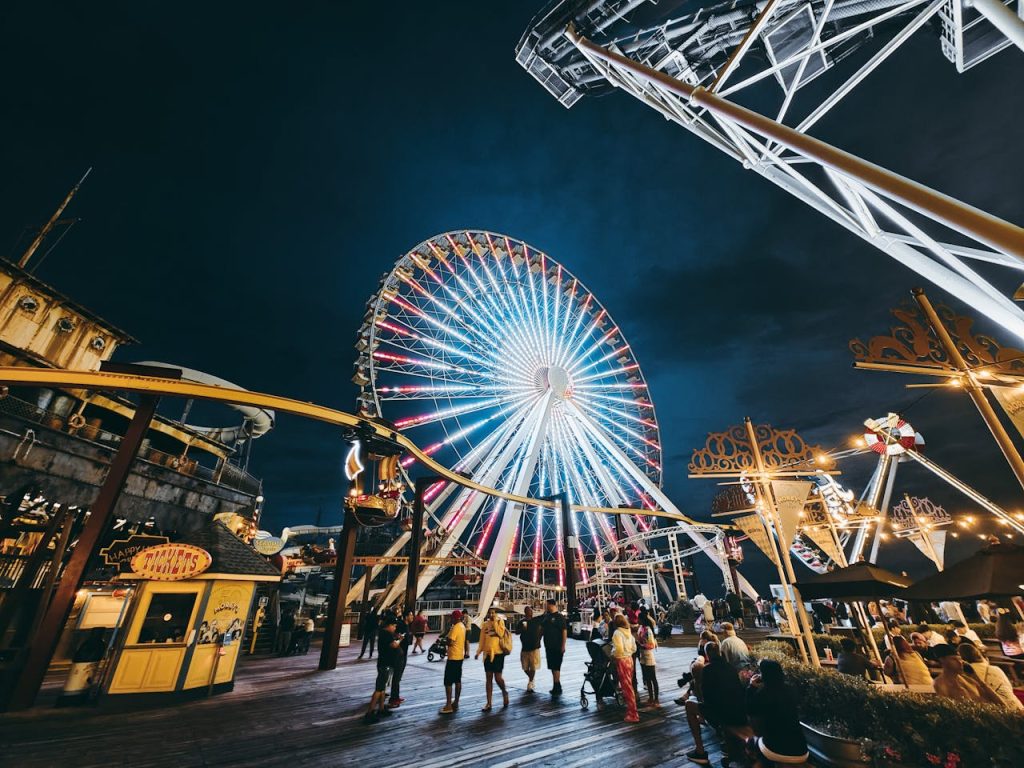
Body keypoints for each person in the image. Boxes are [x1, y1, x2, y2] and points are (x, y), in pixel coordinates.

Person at [684, 642, 748, 765]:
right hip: (740, 713)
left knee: (689, 705)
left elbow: (707, 699)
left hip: (722, 715)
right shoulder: (731, 668)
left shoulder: (707, 671)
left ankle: (700, 751)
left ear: (707, 656)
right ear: (720, 652)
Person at [745, 660, 810, 767]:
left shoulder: (763, 694)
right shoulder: (791, 689)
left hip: (776, 749)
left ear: (764, 675)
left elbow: (749, 710)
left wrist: (751, 687)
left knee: (751, 742)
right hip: (802, 749)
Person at [957, 642, 1023, 711]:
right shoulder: (995, 669)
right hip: (1015, 707)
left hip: (993, 712)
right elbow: (1009, 688)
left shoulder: (963, 676)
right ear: (978, 654)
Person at [932, 643, 1003, 706]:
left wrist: (979, 681)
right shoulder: (940, 684)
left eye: (960, 659)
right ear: (942, 660)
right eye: (954, 659)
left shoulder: (968, 679)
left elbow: (1001, 704)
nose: (960, 663)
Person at [363, 615, 401, 724]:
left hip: (384, 663)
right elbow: (394, 645)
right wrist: (399, 640)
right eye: (394, 626)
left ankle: (381, 708)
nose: (394, 628)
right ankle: (370, 712)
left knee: (383, 687)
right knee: (379, 688)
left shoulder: (383, 633)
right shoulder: (386, 634)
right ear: (389, 625)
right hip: (385, 663)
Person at [476, 607, 511, 711]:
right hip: (487, 654)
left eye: (493, 613)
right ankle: (489, 703)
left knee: (498, 678)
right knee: (488, 678)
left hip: (498, 654)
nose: (491, 615)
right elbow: (482, 639)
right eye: (490, 613)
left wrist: (495, 622)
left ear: (496, 614)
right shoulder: (485, 625)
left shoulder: (500, 622)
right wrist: (478, 652)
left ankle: (504, 692)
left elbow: (500, 633)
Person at [610, 614, 639, 723]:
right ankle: (631, 711)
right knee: (629, 685)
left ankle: (633, 713)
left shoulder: (617, 633)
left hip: (622, 660)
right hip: (629, 659)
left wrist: (613, 654)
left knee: (626, 688)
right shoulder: (628, 632)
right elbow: (634, 648)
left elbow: (619, 649)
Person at [439, 610, 470, 715]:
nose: (450, 619)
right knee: (457, 680)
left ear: (455, 618)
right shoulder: (462, 626)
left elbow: (451, 642)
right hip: (459, 656)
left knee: (448, 681)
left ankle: (448, 705)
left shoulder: (456, 627)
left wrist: (445, 640)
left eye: (452, 617)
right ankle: (456, 702)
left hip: (453, 657)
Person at [541, 599, 567, 696]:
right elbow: (542, 628)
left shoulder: (559, 617)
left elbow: (564, 631)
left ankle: (556, 686)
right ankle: (557, 684)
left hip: (557, 645)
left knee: (556, 666)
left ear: (551, 605)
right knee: (552, 666)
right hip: (549, 645)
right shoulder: (547, 617)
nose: (546, 606)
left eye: (547, 605)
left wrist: (563, 645)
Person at [388, 610, 413, 709]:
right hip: (399, 654)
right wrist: (398, 638)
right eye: (411, 615)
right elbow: (394, 635)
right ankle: (393, 698)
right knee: (397, 676)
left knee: (398, 676)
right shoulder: (401, 624)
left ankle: (396, 696)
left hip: (403, 654)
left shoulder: (406, 625)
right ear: (406, 616)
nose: (412, 617)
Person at [517, 605, 543, 692]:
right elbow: (517, 632)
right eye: (528, 611)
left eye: (530, 611)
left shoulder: (536, 621)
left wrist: (539, 638)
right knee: (525, 667)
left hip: (534, 647)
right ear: (525, 612)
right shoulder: (522, 622)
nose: (530, 613)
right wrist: (522, 629)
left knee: (533, 666)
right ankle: (531, 679)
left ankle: (531, 682)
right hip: (525, 646)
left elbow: (542, 626)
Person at [637, 615, 660, 708]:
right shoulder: (641, 628)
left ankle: (656, 699)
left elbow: (651, 644)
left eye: (639, 618)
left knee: (653, 678)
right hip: (642, 654)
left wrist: (641, 645)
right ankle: (651, 698)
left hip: (647, 653)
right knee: (647, 677)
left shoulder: (648, 630)